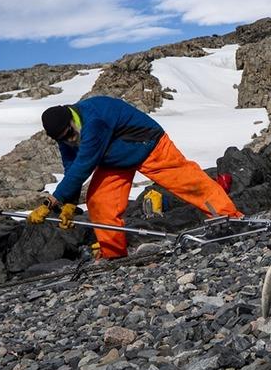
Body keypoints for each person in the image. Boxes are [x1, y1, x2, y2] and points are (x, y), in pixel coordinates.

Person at [28, 96, 242, 258]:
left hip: (148, 145)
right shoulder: (63, 134)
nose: (71, 140)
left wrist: (52, 201)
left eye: (70, 134)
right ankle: (113, 253)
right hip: (114, 158)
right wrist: (70, 204)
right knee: (100, 202)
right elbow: (71, 167)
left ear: (72, 119)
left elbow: (83, 165)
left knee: (189, 183)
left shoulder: (94, 122)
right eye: (64, 139)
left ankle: (231, 218)